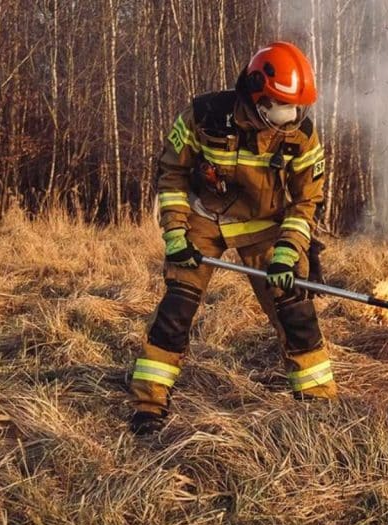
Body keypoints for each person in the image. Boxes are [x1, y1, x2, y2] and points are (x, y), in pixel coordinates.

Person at [129, 41, 336, 435]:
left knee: (295, 311)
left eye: (297, 108)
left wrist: (288, 253)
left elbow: (307, 200)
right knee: (176, 310)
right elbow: (171, 174)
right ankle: (148, 405)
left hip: (263, 226)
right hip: (203, 221)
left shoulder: (300, 135)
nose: (291, 116)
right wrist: (175, 234)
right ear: (257, 94)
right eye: (282, 106)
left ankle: (318, 406)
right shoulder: (205, 115)